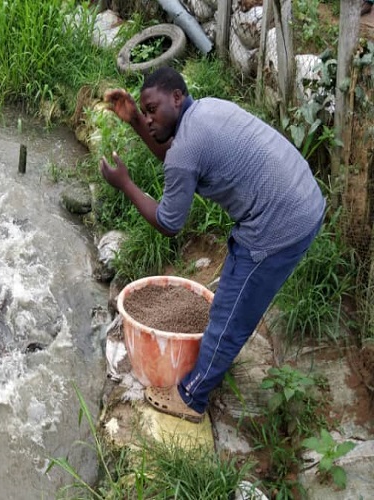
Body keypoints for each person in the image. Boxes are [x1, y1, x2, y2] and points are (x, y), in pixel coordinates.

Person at [101, 66, 325, 423]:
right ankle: (206, 372)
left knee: (229, 314)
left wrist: (125, 184)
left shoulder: (187, 147)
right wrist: (135, 122)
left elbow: (169, 223)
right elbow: (177, 160)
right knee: (233, 294)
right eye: (143, 112)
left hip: (280, 222)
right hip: (302, 197)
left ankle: (191, 397)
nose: (148, 118)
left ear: (176, 97)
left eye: (151, 109)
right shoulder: (204, 110)